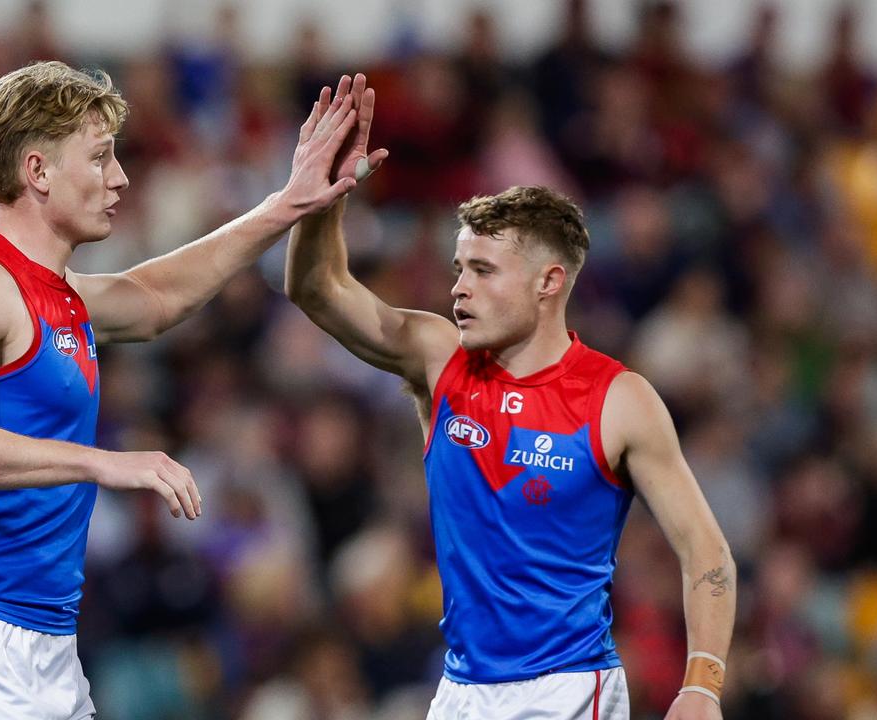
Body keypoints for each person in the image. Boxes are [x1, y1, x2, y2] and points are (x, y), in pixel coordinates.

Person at [0, 61, 367, 720]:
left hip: (42, 644)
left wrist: (288, 203)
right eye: (101, 157)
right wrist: (99, 461)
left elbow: (157, 296)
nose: (120, 177)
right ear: (38, 170)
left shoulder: (59, 295)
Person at [286, 80, 735, 719]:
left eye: (483, 271)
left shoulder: (620, 400)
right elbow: (316, 291)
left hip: (569, 690)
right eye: (459, 268)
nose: (458, 290)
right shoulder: (439, 361)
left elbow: (705, 549)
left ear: (550, 282)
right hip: (460, 692)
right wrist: (322, 197)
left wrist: (701, 686)